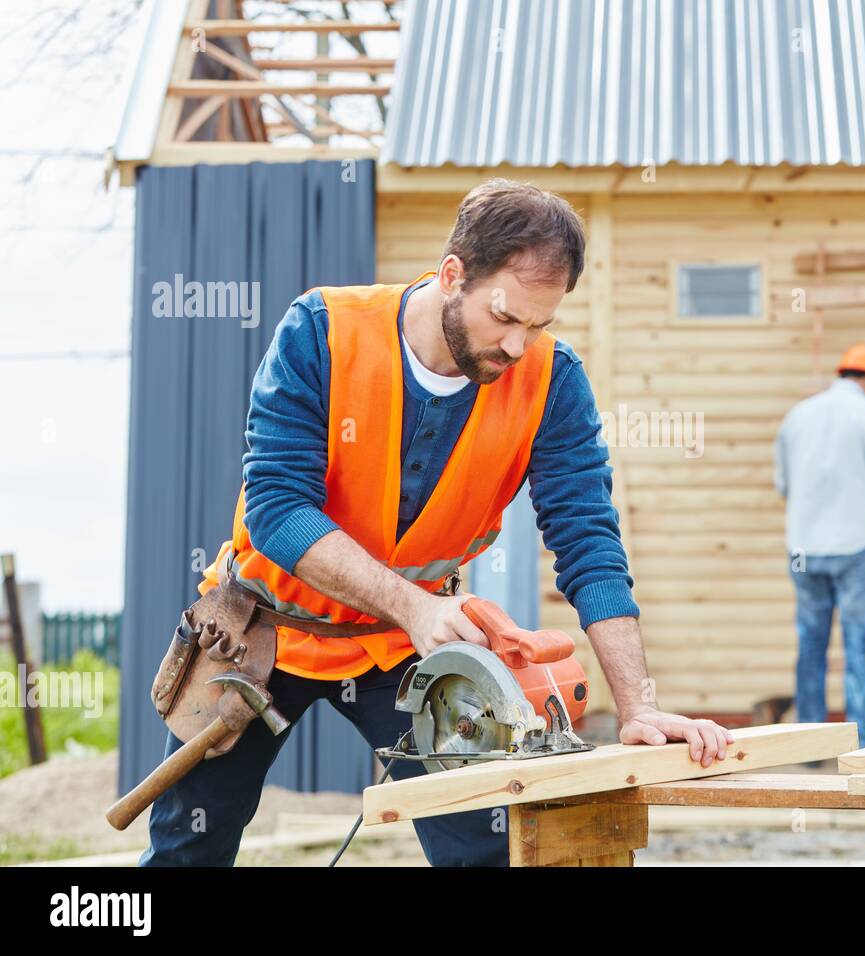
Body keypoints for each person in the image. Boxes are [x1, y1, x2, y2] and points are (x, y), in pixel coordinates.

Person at [140, 179, 732, 867]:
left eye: (538, 325)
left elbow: (589, 544)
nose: (518, 347)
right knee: (189, 845)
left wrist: (637, 705)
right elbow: (276, 508)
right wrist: (412, 605)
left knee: (487, 846)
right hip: (263, 633)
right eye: (505, 317)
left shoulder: (552, 382)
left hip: (404, 650)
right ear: (454, 273)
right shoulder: (322, 331)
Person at [773, 345, 865, 748]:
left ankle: (811, 742)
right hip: (858, 547)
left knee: (811, 644)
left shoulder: (797, 416)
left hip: (803, 548)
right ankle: (864, 741)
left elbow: (784, 484)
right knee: (858, 645)